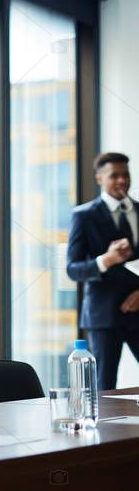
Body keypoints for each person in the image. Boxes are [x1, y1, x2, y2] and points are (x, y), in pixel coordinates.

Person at [66, 152, 139, 390]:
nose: (122, 181)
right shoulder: (83, 216)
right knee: (104, 386)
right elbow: (73, 270)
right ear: (99, 179)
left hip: (138, 308)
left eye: (125, 175)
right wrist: (105, 260)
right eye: (114, 175)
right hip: (103, 315)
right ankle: (103, 429)